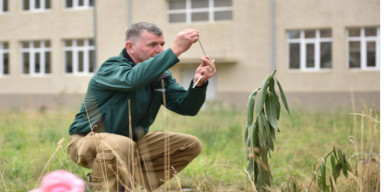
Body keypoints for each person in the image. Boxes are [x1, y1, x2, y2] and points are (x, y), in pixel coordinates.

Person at [67, 22, 216, 192]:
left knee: (190, 144)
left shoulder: (161, 77)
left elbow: (186, 107)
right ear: (130, 47)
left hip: (131, 144)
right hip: (86, 141)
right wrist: (175, 50)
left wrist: (199, 83)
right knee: (121, 144)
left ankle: (126, 185)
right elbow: (133, 80)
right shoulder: (112, 68)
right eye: (152, 45)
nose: (160, 50)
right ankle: (98, 188)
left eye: (162, 45)